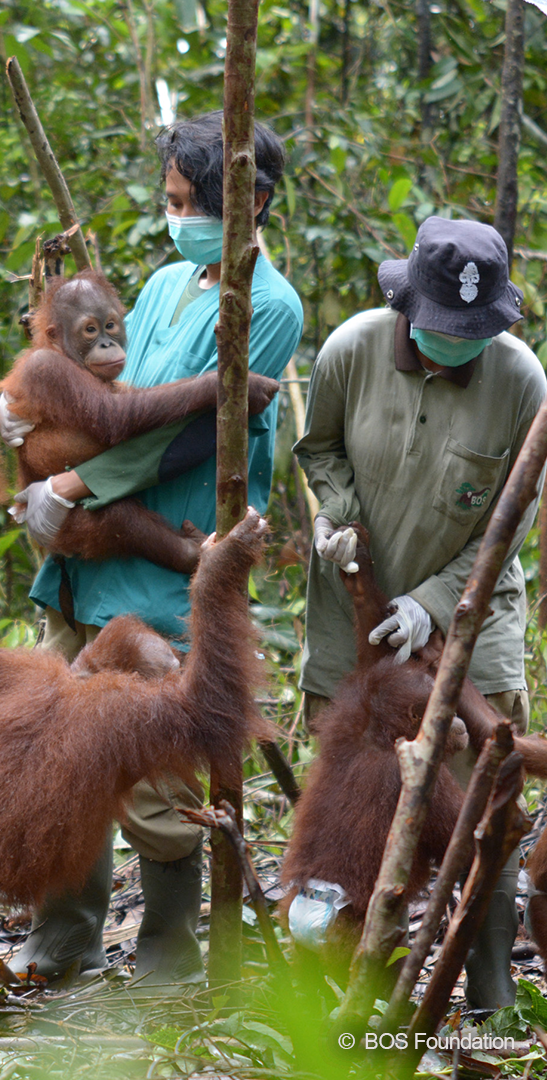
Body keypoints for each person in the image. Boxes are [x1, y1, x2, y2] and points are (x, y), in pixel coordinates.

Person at [2, 112, 303, 987]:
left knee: (158, 781)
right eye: (169, 201)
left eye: (186, 203)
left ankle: (170, 961)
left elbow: (192, 434)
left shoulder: (267, 305)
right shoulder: (172, 279)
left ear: (250, 203)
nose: (174, 218)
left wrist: (74, 486)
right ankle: (65, 943)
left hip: (168, 558)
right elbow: (118, 395)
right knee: (61, 753)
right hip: (89, 562)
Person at [295, 215, 546, 1012]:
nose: (453, 344)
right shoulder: (352, 349)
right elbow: (320, 449)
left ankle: (490, 978)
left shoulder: (523, 383)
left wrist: (433, 605)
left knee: (482, 777)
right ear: (407, 307)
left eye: (470, 334)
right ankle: (355, 958)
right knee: (356, 776)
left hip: (474, 608)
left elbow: (513, 523)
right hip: (353, 605)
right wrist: (332, 519)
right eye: (440, 330)